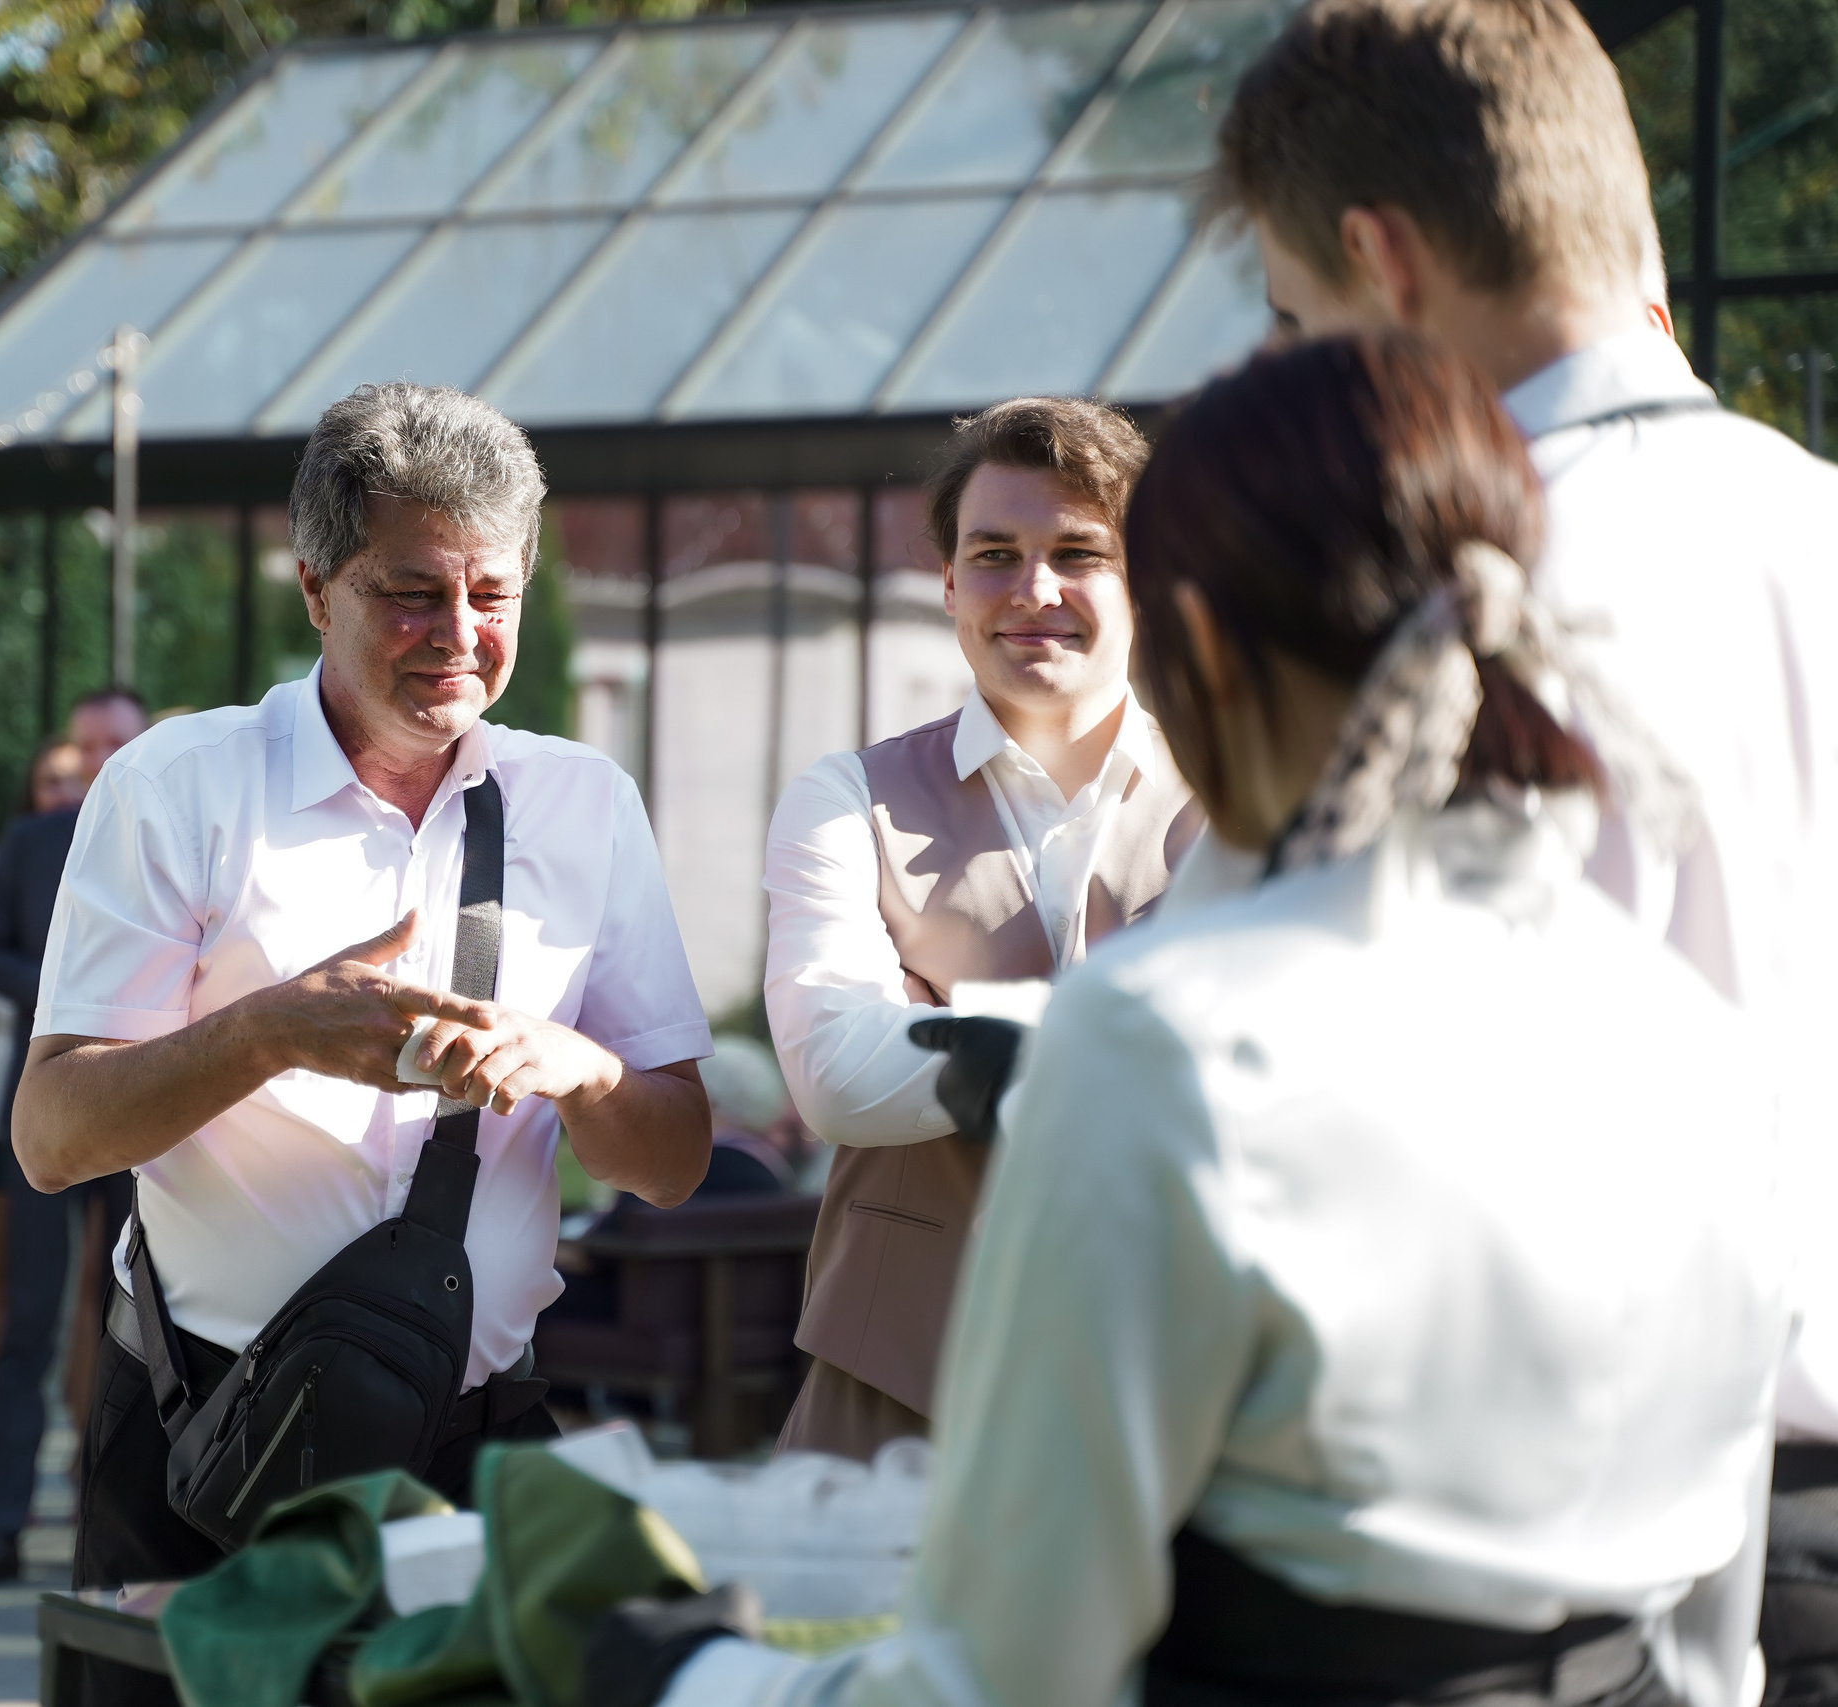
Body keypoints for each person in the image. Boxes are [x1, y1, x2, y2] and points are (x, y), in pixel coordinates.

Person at [613, 333, 1789, 1707]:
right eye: (993, 555)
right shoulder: (1688, 1030)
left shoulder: (1175, 1036)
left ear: (1196, 637)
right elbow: (1720, 1631)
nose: (1035, 591)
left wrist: (689, 1677)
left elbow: (1004, 1676)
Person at [1213, 4, 1838, 1694]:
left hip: (1602, 1564)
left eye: (1291, 311)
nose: (1284, 370)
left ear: (1382, 263)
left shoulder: (1432, 620)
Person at [12, 380, 715, 1586]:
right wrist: (267, 1034)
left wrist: (581, 1071)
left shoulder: (584, 802)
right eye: (408, 593)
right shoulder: (174, 785)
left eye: (492, 595)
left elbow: (674, 1159)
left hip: (474, 1454)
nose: (457, 632)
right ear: (312, 588)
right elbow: (52, 1139)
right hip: (210, 1445)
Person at [761, 399, 1201, 1461]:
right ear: (949, 585)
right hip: (898, 1389)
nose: (1033, 591)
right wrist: (1137, 1029)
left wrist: (945, 1025)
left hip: (1167, 1389)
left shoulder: (1229, 799)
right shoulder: (842, 797)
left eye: (1077, 554)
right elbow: (833, 1077)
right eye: (995, 555)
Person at [0, 692, 145, 1592]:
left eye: (116, 745)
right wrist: (69, 995)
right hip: (48, 1110)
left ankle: (120, 1538)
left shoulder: (174, 833)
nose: (97, 760)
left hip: (144, 1115)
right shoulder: (26, 844)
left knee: (137, 1327)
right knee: (27, 1325)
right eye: (86, 743)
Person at [0, 734, 86, 1401]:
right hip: (15, 1087)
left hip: (116, 1083)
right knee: (20, 1282)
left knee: (105, 1288)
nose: (66, 788)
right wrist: (59, 997)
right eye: (51, 778)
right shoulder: (14, 850)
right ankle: (2, 1483)